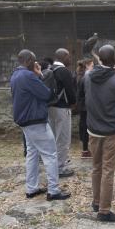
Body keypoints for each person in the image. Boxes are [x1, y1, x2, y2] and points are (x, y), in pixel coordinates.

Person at [11, 49, 70, 201]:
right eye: (34, 61)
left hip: (25, 121)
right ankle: (54, 191)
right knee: (50, 154)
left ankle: (31, 188)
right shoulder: (28, 76)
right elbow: (47, 94)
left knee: (32, 154)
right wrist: (40, 75)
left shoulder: (16, 75)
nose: (36, 64)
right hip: (35, 120)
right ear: (30, 61)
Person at [84, 45, 115, 222]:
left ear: (100, 60)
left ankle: (96, 201)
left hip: (93, 130)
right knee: (108, 171)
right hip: (111, 131)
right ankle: (104, 211)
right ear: (114, 60)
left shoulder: (88, 77)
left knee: (96, 167)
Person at [48, 48, 77, 177]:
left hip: (50, 107)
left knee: (53, 137)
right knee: (63, 138)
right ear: (64, 56)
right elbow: (70, 92)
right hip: (61, 108)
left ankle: (53, 164)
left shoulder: (49, 69)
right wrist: (73, 103)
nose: (70, 59)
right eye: (69, 56)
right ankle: (60, 167)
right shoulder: (64, 71)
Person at [76, 57, 94, 159]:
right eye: (92, 65)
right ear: (87, 66)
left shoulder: (81, 76)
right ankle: (85, 150)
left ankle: (85, 149)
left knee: (84, 127)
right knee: (86, 128)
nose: (93, 67)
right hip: (86, 107)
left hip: (82, 106)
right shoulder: (85, 78)